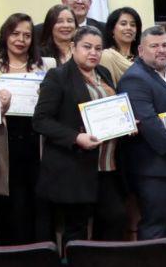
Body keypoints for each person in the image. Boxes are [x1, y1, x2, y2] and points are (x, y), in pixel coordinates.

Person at [32, 25, 128, 247]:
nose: (93, 53)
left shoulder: (103, 73)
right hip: (75, 164)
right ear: (73, 47)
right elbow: (41, 120)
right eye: (87, 47)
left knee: (115, 217)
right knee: (77, 227)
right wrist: (76, 137)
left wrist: (127, 123)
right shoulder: (58, 76)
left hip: (107, 164)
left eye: (98, 48)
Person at [0, 12, 55, 246]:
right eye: (15, 34)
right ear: (5, 36)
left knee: (39, 205)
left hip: (37, 143)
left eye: (27, 35)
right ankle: (9, 262)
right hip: (4, 142)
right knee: (8, 207)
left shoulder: (47, 64)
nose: (21, 39)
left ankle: (42, 260)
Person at [118, 26, 166, 240]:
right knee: (155, 223)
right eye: (154, 46)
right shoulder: (134, 78)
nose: (161, 50)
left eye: (164, 45)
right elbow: (147, 120)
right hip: (154, 168)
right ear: (141, 50)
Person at [35, 0, 106, 42]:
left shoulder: (103, 29)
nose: (79, 1)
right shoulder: (39, 31)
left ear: (90, 3)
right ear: (64, 1)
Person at [100, 6, 142, 85]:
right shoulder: (107, 56)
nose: (129, 28)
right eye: (123, 24)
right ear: (112, 29)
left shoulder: (142, 57)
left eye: (133, 25)